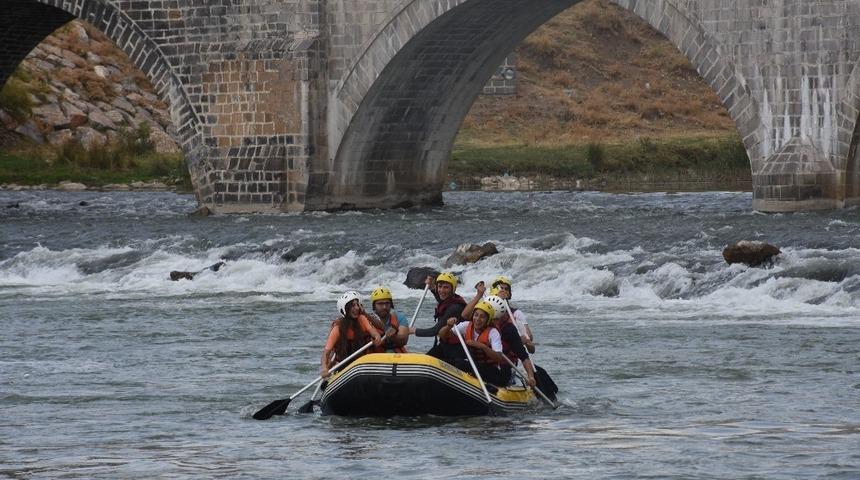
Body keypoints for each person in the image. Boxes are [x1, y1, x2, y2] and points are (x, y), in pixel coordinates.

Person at [438, 299, 507, 386]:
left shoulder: (493, 333)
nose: (478, 319)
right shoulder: (466, 325)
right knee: (453, 361)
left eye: (482, 317)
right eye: (476, 315)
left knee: (461, 364)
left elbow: (498, 358)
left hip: (489, 369)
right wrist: (448, 326)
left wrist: (483, 346)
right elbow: (442, 335)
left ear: (488, 320)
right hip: (472, 364)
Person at [320, 291, 384, 378]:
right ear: (345, 309)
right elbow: (326, 353)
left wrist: (377, 338)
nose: (357, 308)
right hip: (343, 363)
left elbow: (374, 333)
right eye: (353, 306)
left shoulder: (362, 319)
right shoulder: (338, 327)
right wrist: (324, 368)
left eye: (357, 305)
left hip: (360, 363)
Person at [409, 272, 466, 363]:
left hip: (456, 350)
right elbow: (441, 298)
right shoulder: (450, 300)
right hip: (445, 346)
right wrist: (431, 286)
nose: (442, 290)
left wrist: (413, 330)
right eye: (439, 286)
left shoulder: (455, 308)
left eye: (446, 287)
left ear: (453, 289)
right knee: (424, 362)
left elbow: (435, 331)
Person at [491, 275, 534, 353]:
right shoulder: (485, 310)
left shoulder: (516, 313)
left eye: (506, 289)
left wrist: (524, 340)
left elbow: (529, 339)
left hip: (509, 355)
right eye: (501, 288)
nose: (503, 291)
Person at [367, 286, 410, 353]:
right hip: (375, 355)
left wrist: (394, 337)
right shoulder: (368, 320)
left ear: (391, 304)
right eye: (380, 304)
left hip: (395, 355)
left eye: (387, 303)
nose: (384, 307)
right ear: (374, 306)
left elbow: (404, 341)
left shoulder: (399, 317)